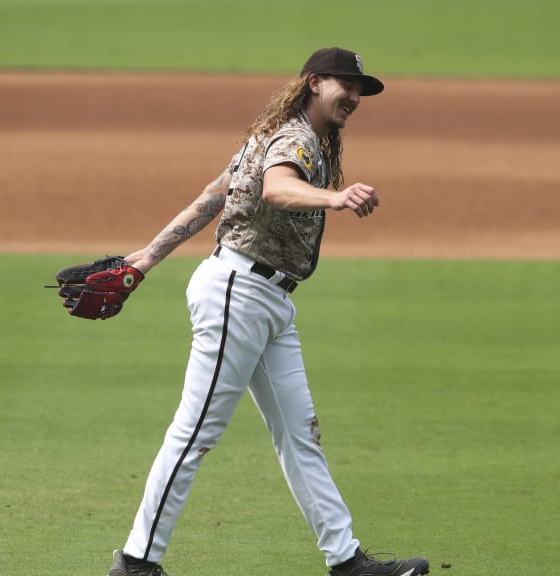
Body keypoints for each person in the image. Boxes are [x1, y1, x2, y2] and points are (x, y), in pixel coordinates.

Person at [108, 47, 429, 576]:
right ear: (312, 83)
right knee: (195, 432)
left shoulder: (277, 133)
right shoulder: (296, 139)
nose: (352, 95)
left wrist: (145, 258)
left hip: (267, 301)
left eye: (359, 88)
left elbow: (215, 196)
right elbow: (276, 189)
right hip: (240, 292)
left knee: (301, 434)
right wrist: (335, 197)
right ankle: (136, 562)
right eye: (343, 84)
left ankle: (346, 561)